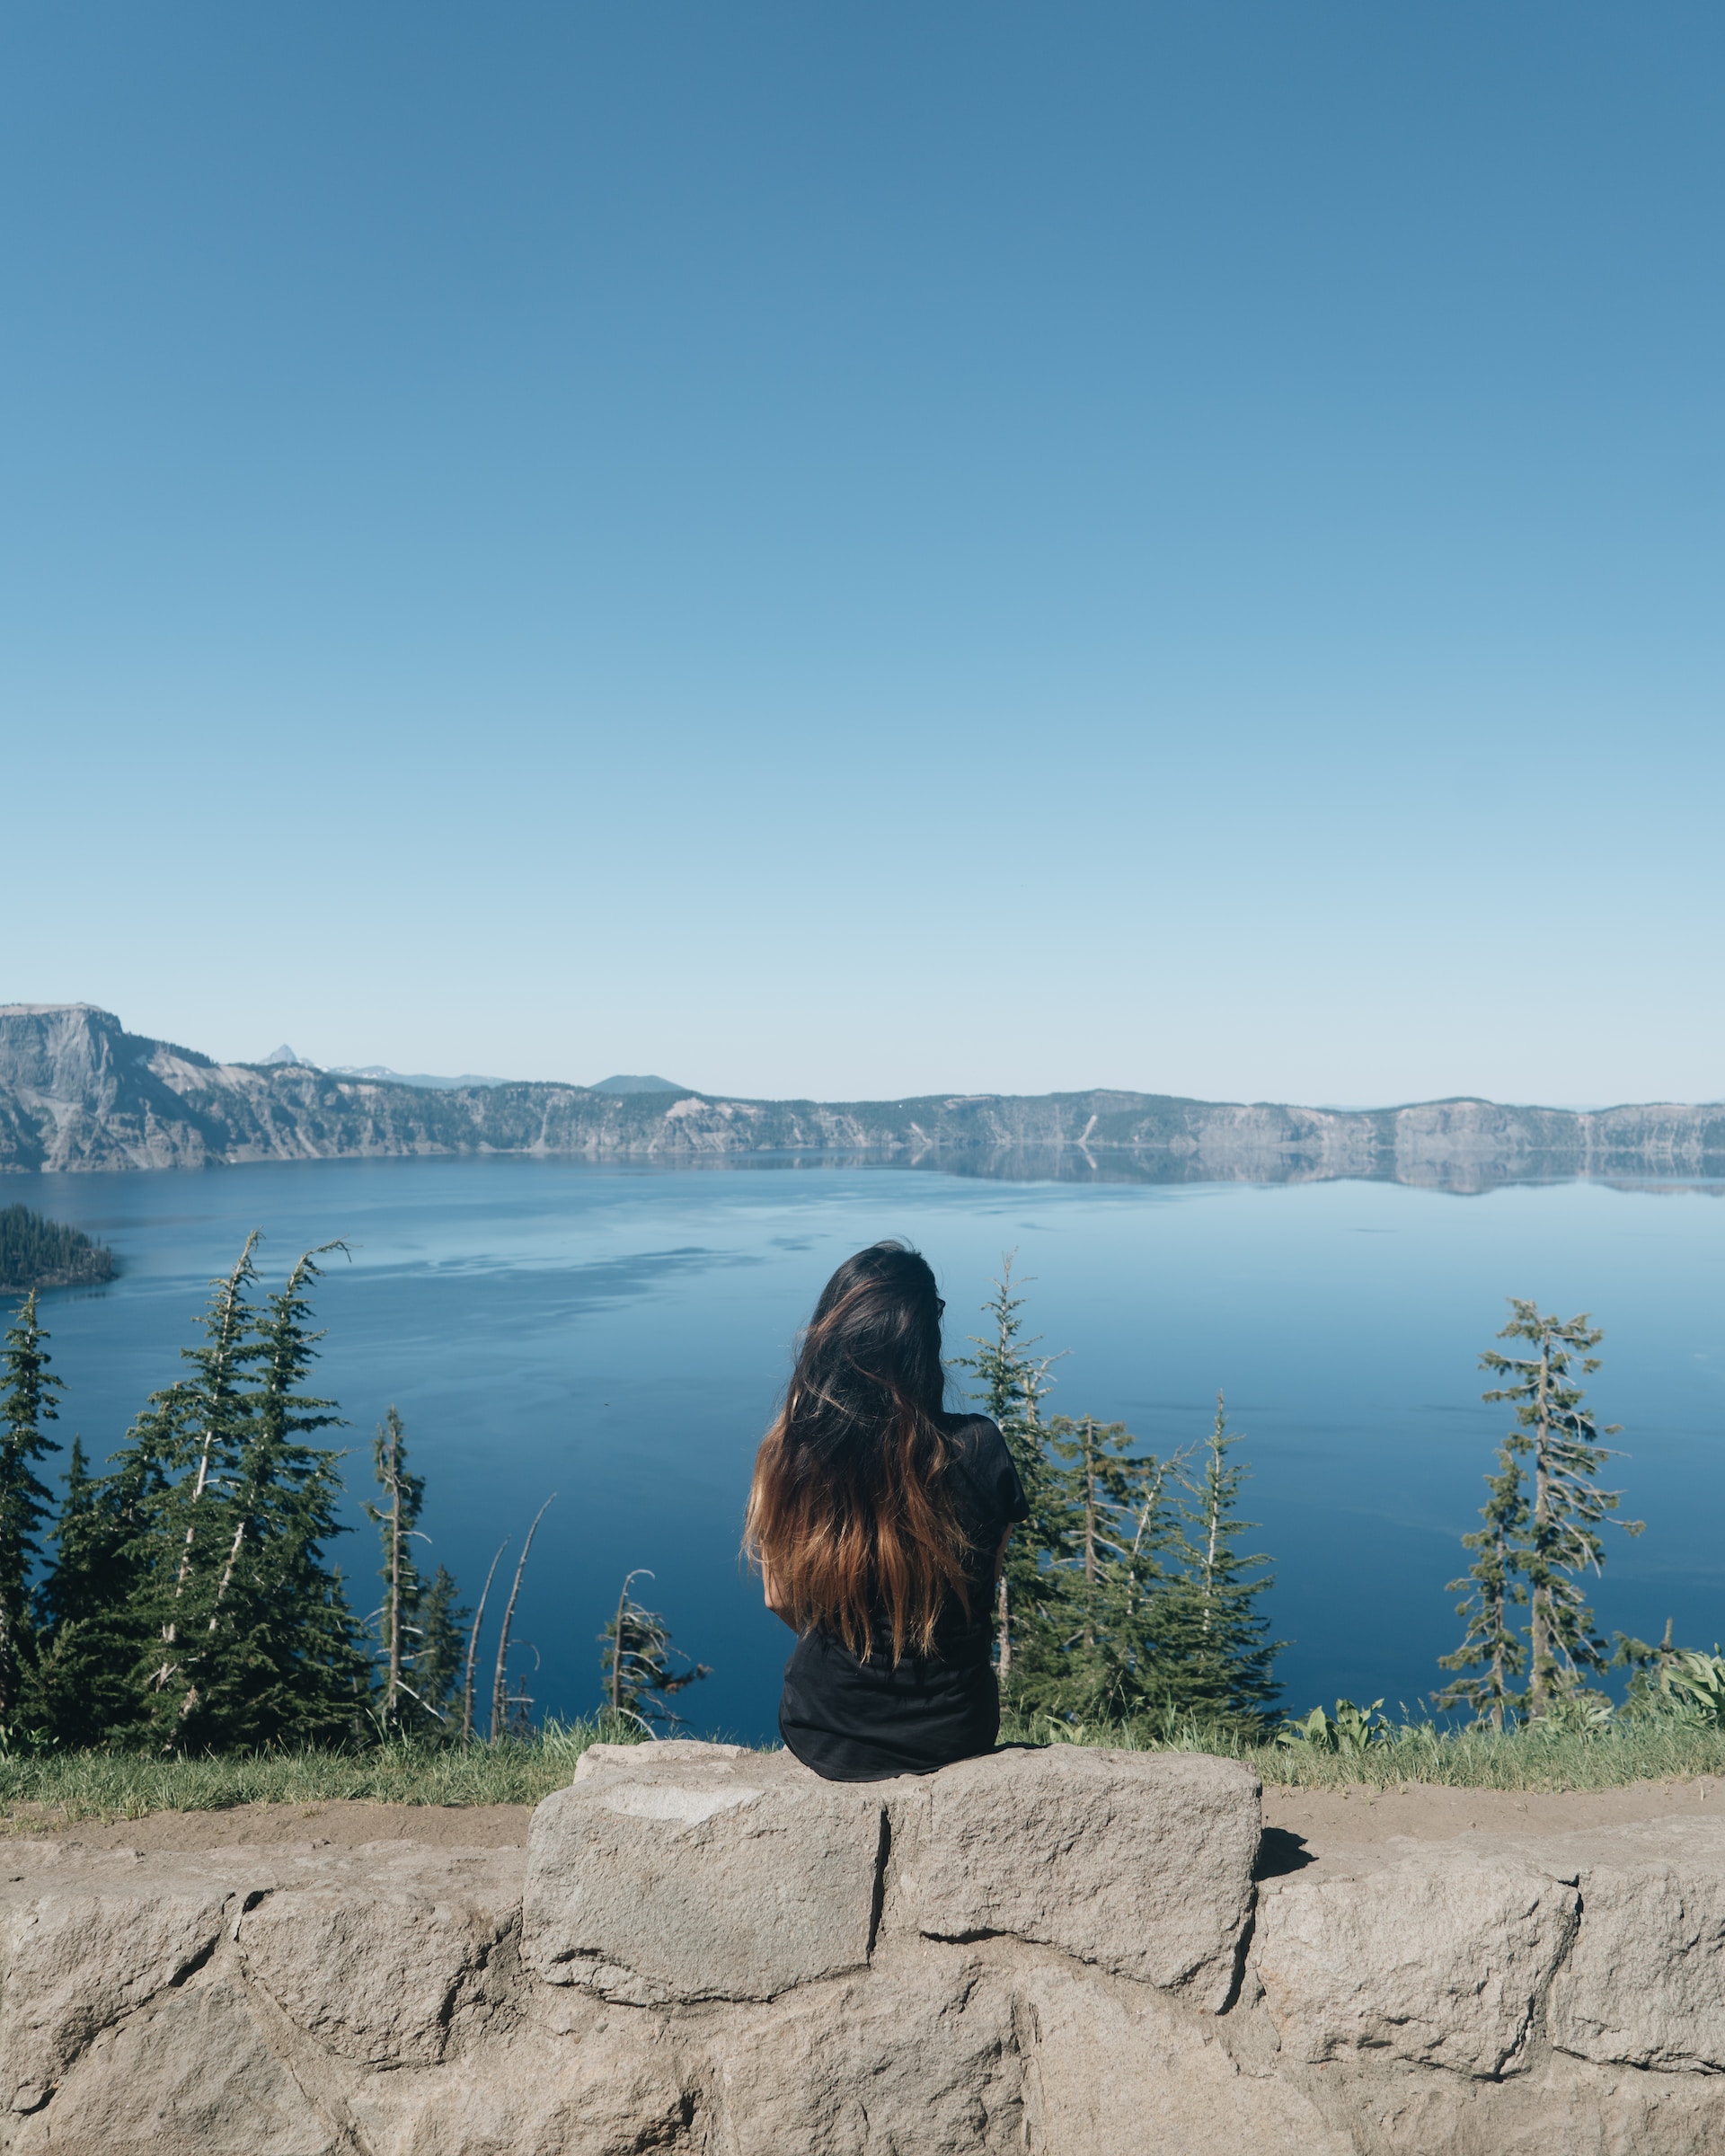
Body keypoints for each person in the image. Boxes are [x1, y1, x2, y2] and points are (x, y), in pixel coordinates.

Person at [744, 1240, 1029, 1780]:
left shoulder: (788, 1455)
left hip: (825, 1730)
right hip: (957, 1730)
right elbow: (981, 1587)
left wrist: (848, 1647)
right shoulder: (981, 1448)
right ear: (925, 1343)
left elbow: (779, 1598)